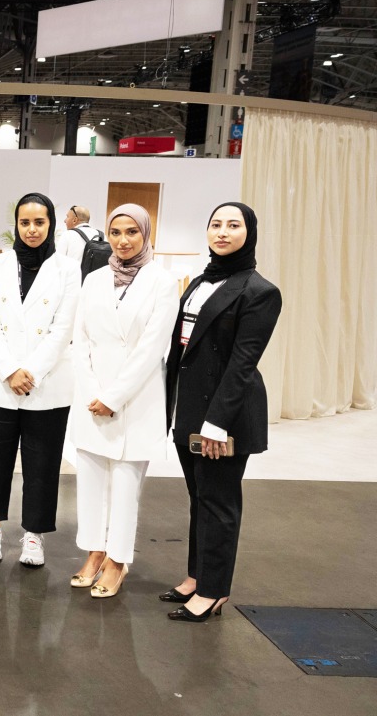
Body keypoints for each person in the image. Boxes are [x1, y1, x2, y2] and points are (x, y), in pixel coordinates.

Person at [162, 202, 281, 622]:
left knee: (220, 502)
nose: (223, 232)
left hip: (224, 417)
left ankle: (214, 590)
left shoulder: (259, 291)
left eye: (234, 225)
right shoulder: (200, 281)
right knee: (200, 498)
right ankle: (197, 575)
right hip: (191, 411)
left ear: (249, 231)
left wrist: (215, 423)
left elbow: (242, 363)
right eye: (216, 224)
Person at [67, 204, 178, 598]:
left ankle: (117, 560)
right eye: (116, 232)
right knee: (92, 481)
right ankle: (95, 552)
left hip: (135, 399)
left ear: (146, 234)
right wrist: (93, 390)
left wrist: (113, 396)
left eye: (132, 232)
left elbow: (152, 348)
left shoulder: (162, 282)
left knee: (126, 486)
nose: (123, 240)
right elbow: (79, 340)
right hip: (91, 397)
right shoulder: (95, 279)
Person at [0, 193, 80, 566]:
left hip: (46, 385)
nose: (32, 229)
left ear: (51, 224)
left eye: (39, 222)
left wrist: (31, 372)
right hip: (1, 383)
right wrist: (9, 370)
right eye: (25, 222)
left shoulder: (68, 269)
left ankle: (33, 535)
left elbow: (62, 329)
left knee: (42, 464)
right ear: (16, 225)